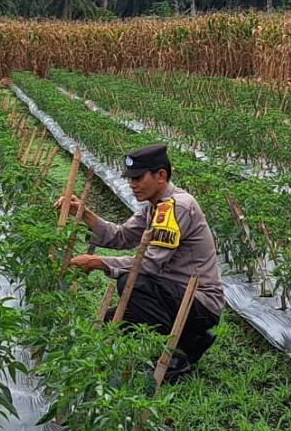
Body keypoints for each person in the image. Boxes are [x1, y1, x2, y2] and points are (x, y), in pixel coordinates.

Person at [62, 144, 224, 381]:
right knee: (113, 318)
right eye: (130, 179)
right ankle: (192, 340)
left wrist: (98, 262)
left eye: (138, 178)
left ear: (161, 175)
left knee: (132, 283)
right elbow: (121, 236)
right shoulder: (154, 206)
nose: (132, 184)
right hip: (174, 295)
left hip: (199, 302)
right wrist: (85, 213)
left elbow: (147, 264)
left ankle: (176, 356)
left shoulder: (177, 207)